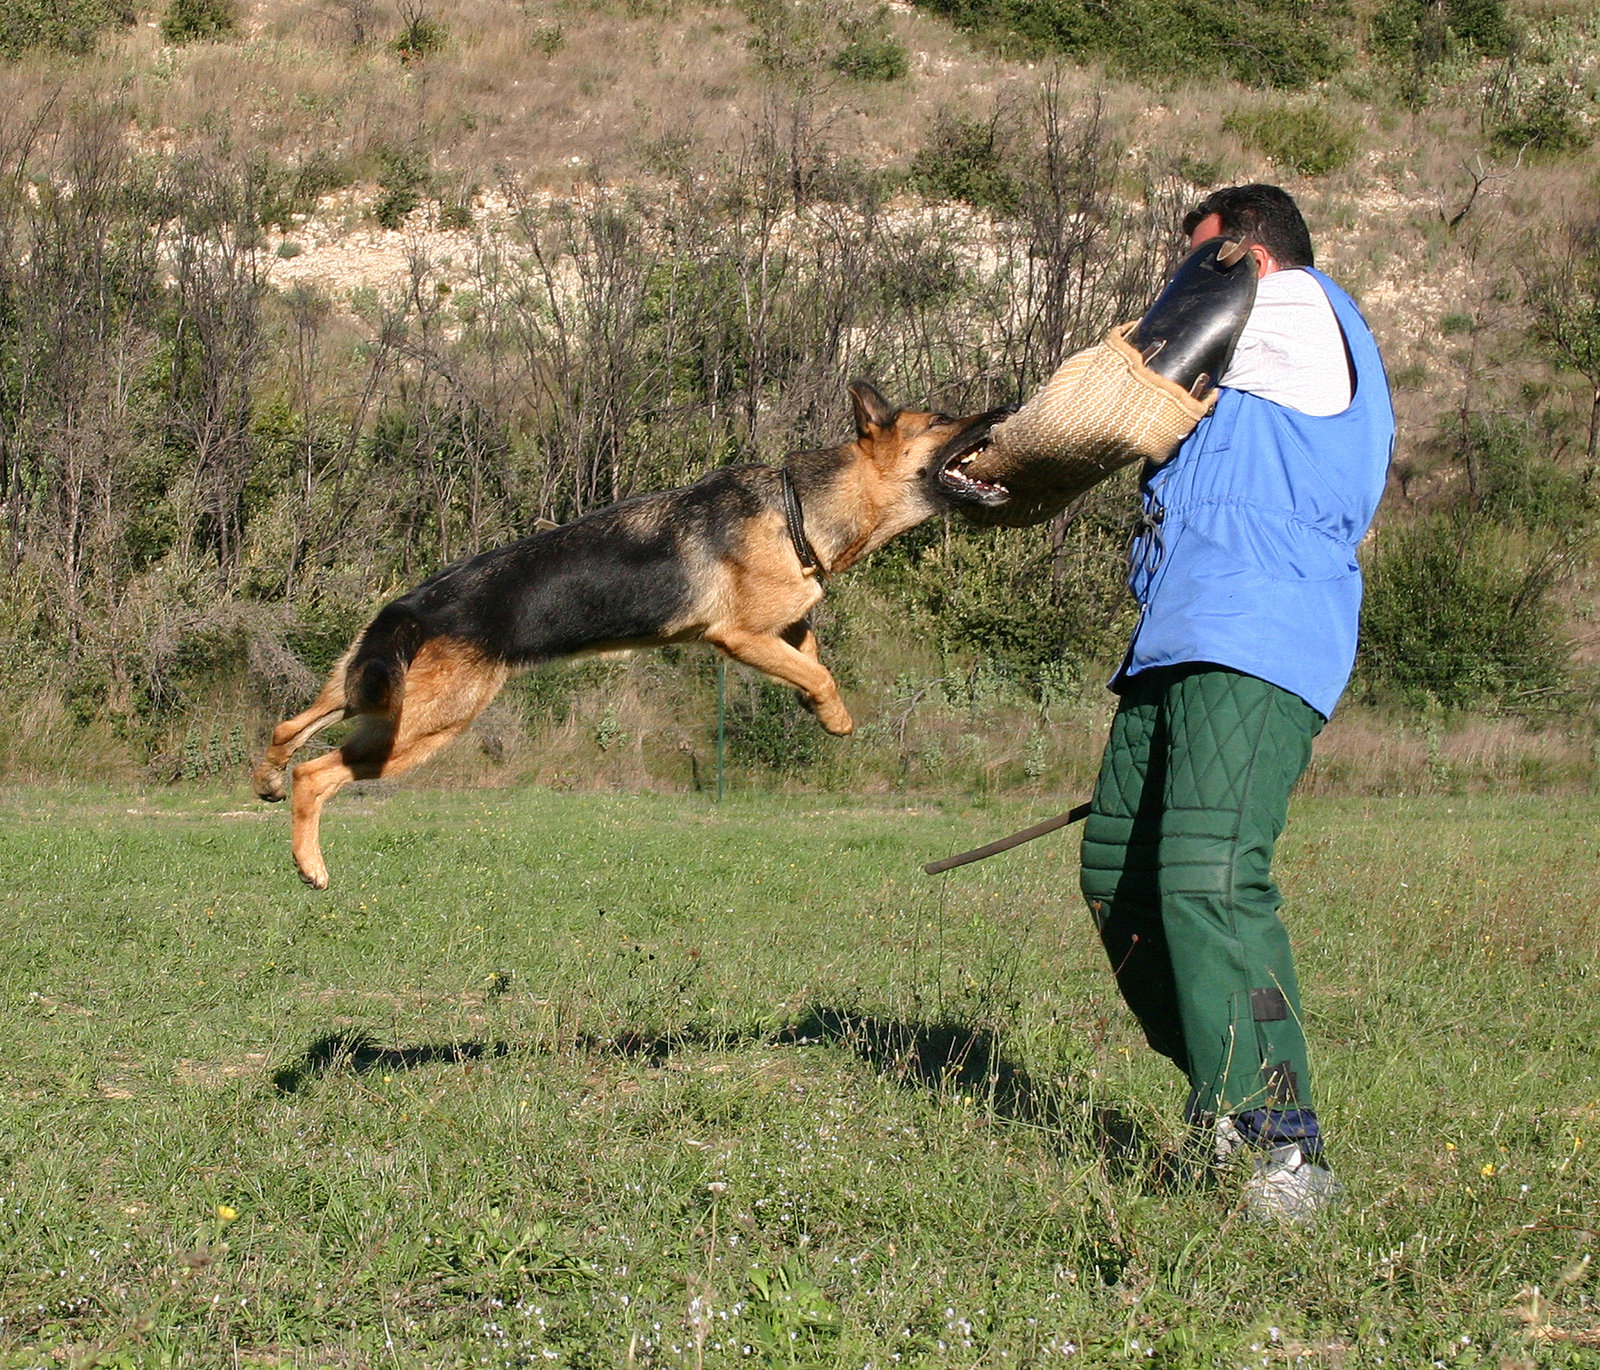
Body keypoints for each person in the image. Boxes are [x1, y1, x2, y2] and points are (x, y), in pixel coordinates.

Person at [1078, 185, 1394, 1222]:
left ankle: (1283, 1144)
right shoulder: (1229, 380)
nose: (1182, 280)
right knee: (1118, 872)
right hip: (1176, 640)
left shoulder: (1295, 306)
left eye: (1201, 259)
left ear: (1245, 255)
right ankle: (1222, 1102)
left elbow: (1130, 374)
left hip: (1257, 635)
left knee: (1212, 877)